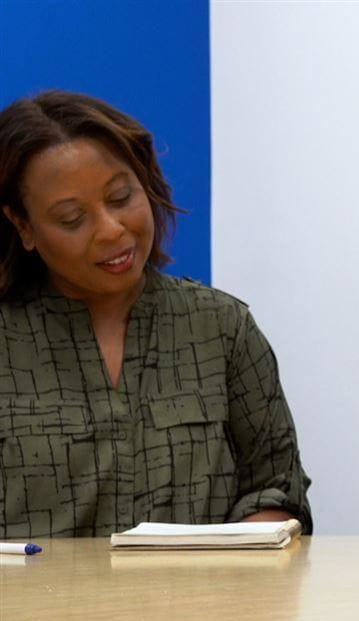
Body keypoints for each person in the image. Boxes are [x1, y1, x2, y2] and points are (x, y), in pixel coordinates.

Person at [0, 90, 311, 538]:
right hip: (34, 608)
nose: (111, 230)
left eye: (121, 196)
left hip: (200, 605)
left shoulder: (221, 328)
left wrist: (249, 545)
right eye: (72, 218)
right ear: (23, 226)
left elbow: (277, 487)